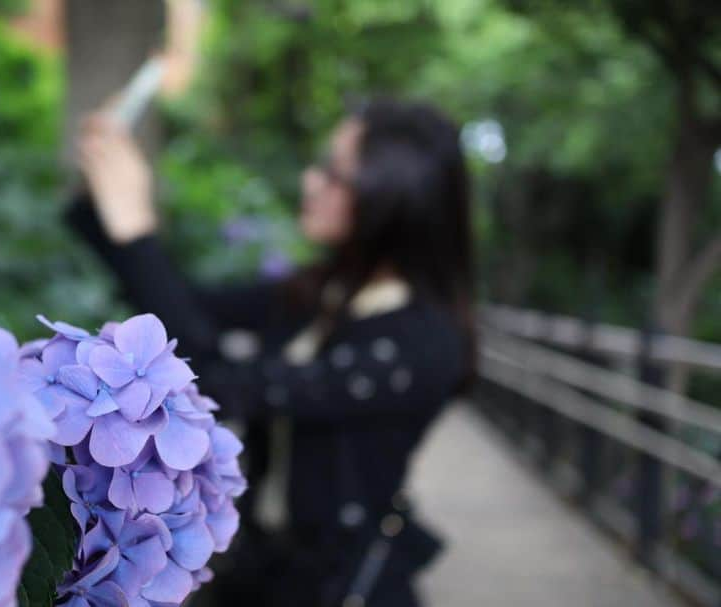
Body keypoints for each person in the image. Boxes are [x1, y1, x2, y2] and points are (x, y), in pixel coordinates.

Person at [66, 96, 474, 607]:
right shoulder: (323, 292)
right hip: (262, 568)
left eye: (334, 173)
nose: (310, 181)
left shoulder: (420, 343)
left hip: (339, 583)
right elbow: (185, 305)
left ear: (392, 198)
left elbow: (216, 377)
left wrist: (135, 225)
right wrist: (105, 200)